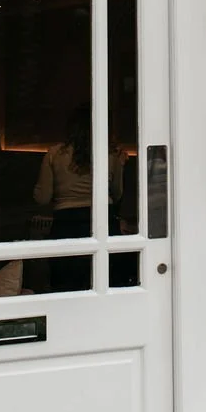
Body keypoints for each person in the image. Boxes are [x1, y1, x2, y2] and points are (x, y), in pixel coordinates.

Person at [32, 105, 125, 290]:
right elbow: (118, 193)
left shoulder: (54, 155)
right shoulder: (110, 155)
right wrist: (120, 165)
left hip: (67, 224)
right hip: (103, 222)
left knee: (67, 286)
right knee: (105, 282)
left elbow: (42, 198)